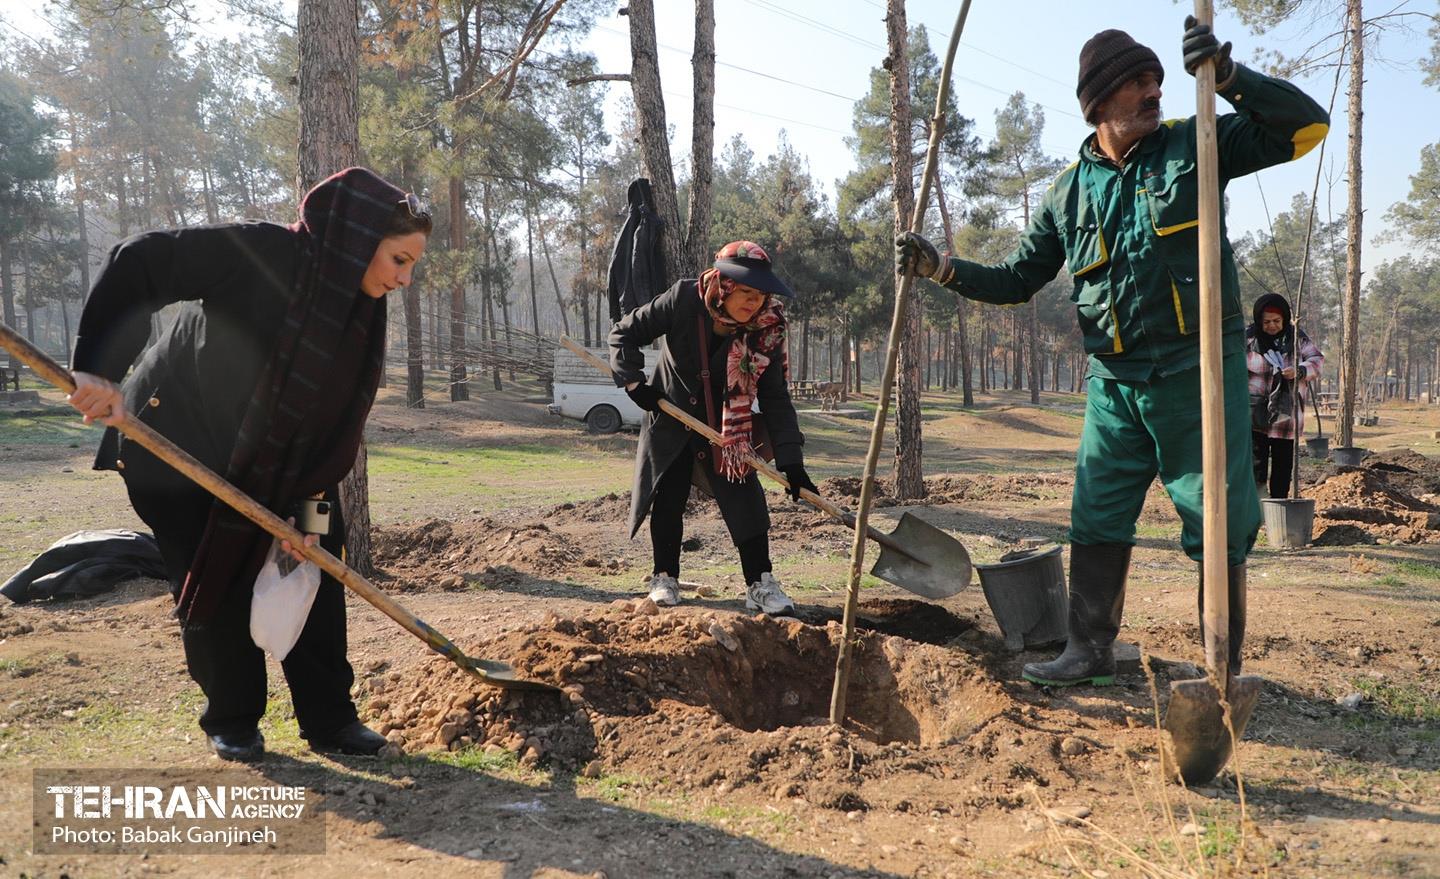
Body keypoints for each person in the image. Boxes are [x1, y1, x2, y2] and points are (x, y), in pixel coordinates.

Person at [896, 19, 1329, 686]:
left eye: (1157, 78)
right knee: (1095, 514)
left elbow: (1306, 128)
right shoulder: (1068, 192)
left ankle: (1221, 665)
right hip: (1115, 387)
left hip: (1197, 375)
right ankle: (1089, 647)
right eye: (1136, 82)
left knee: (1218, 517)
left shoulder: (1199, 144)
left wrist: (1233, 78)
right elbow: (1017, 280)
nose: (1154, 90)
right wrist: (943, 269)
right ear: (1099, 102)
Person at [65, 167, 430, 761]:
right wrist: (100, 367)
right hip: (174, 447)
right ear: (358, 239)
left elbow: (334, 429)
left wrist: (306, 524)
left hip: (282, 463)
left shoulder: (359, 312)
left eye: (412, 265)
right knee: (216, 576)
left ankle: (330, 721)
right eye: (398, 260)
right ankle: (232, 719)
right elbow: (140, 260)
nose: (405, 279)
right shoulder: (265, 252)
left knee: (315, 568)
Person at [609, 240, 818, 616]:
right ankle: (664, 576)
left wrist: (792, 462)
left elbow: (775, 398)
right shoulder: (683, 299)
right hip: (671, 416)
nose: (755, 303)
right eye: (747, 292)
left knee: (745, 499)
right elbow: (624, 333)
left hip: (728, 429)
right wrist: (634, 383)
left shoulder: (767, 328)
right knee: (668, 498)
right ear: (724, 284)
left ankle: (760, 584)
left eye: (761, 294)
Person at [1246, 292, 1324, 499]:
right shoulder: (1247, 338)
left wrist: (1299, 371)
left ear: (1285, 319)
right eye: (1267, 322)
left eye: (1277, 321)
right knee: (1256, 466)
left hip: (1287, 415)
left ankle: (1279, 506)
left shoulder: (1297, 337)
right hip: (1255, 414)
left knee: (1283, 465)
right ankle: (1258, 510)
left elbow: (1317, 360)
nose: (1272, 326)